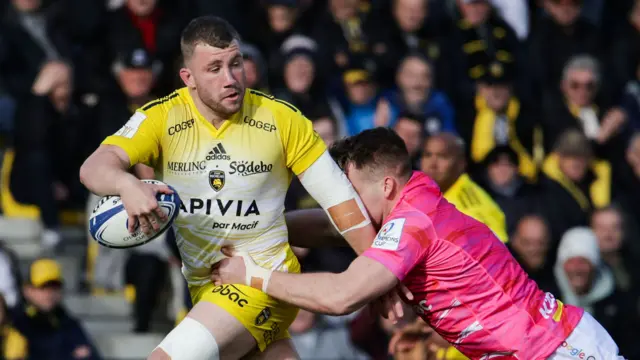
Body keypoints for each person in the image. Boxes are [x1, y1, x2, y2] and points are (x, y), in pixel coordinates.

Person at [79, 16, 391, 360]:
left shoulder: (281, 119)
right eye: (214, 68)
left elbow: (341, 203)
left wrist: (378, 276)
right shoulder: (162, 117)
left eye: (236, 64)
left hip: (262, 281)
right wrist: (126, 184)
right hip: (204, 287)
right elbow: (94, 166)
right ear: (189, 78)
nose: (230, 79)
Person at [212, 127, 626, 359]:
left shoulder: (413, 222)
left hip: (554, 351)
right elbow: (332, 227)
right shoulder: (417, 196)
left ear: (387, 184)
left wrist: (250, 273)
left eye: (351, 193)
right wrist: (252, 227)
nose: (345, 204)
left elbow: (340, 296)